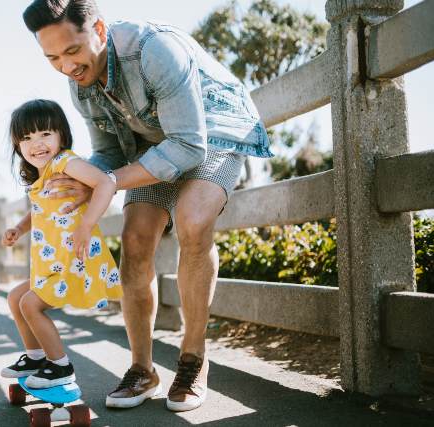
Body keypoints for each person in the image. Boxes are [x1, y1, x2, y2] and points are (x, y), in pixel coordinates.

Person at [22, 0, 273, 411]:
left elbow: (190, 145)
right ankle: (143, 369)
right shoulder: (79, 80)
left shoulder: (154, 50)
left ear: (99, 30)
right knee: (135, 239)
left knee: (192, 221)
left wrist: (108, 181)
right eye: (52, 57)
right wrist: (84, 180)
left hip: (213, 132)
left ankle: (193, 359)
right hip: (152, 145)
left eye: (72, 51)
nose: (66, 66)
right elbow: (106, 151)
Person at [0, 99, 122, 389]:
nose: (36, 144)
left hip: (74, 260)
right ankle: (36, 357)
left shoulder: (66, 162)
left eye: (45, 134)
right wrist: (19, 227)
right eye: (26, 138)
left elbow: (106, 183)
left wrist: (86, 224)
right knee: (16, 298)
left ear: (61, 136)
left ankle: (60, 366)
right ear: (18, 146)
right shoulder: (42, 175)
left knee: (30, 304)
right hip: (54, 263)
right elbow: (40, 209)